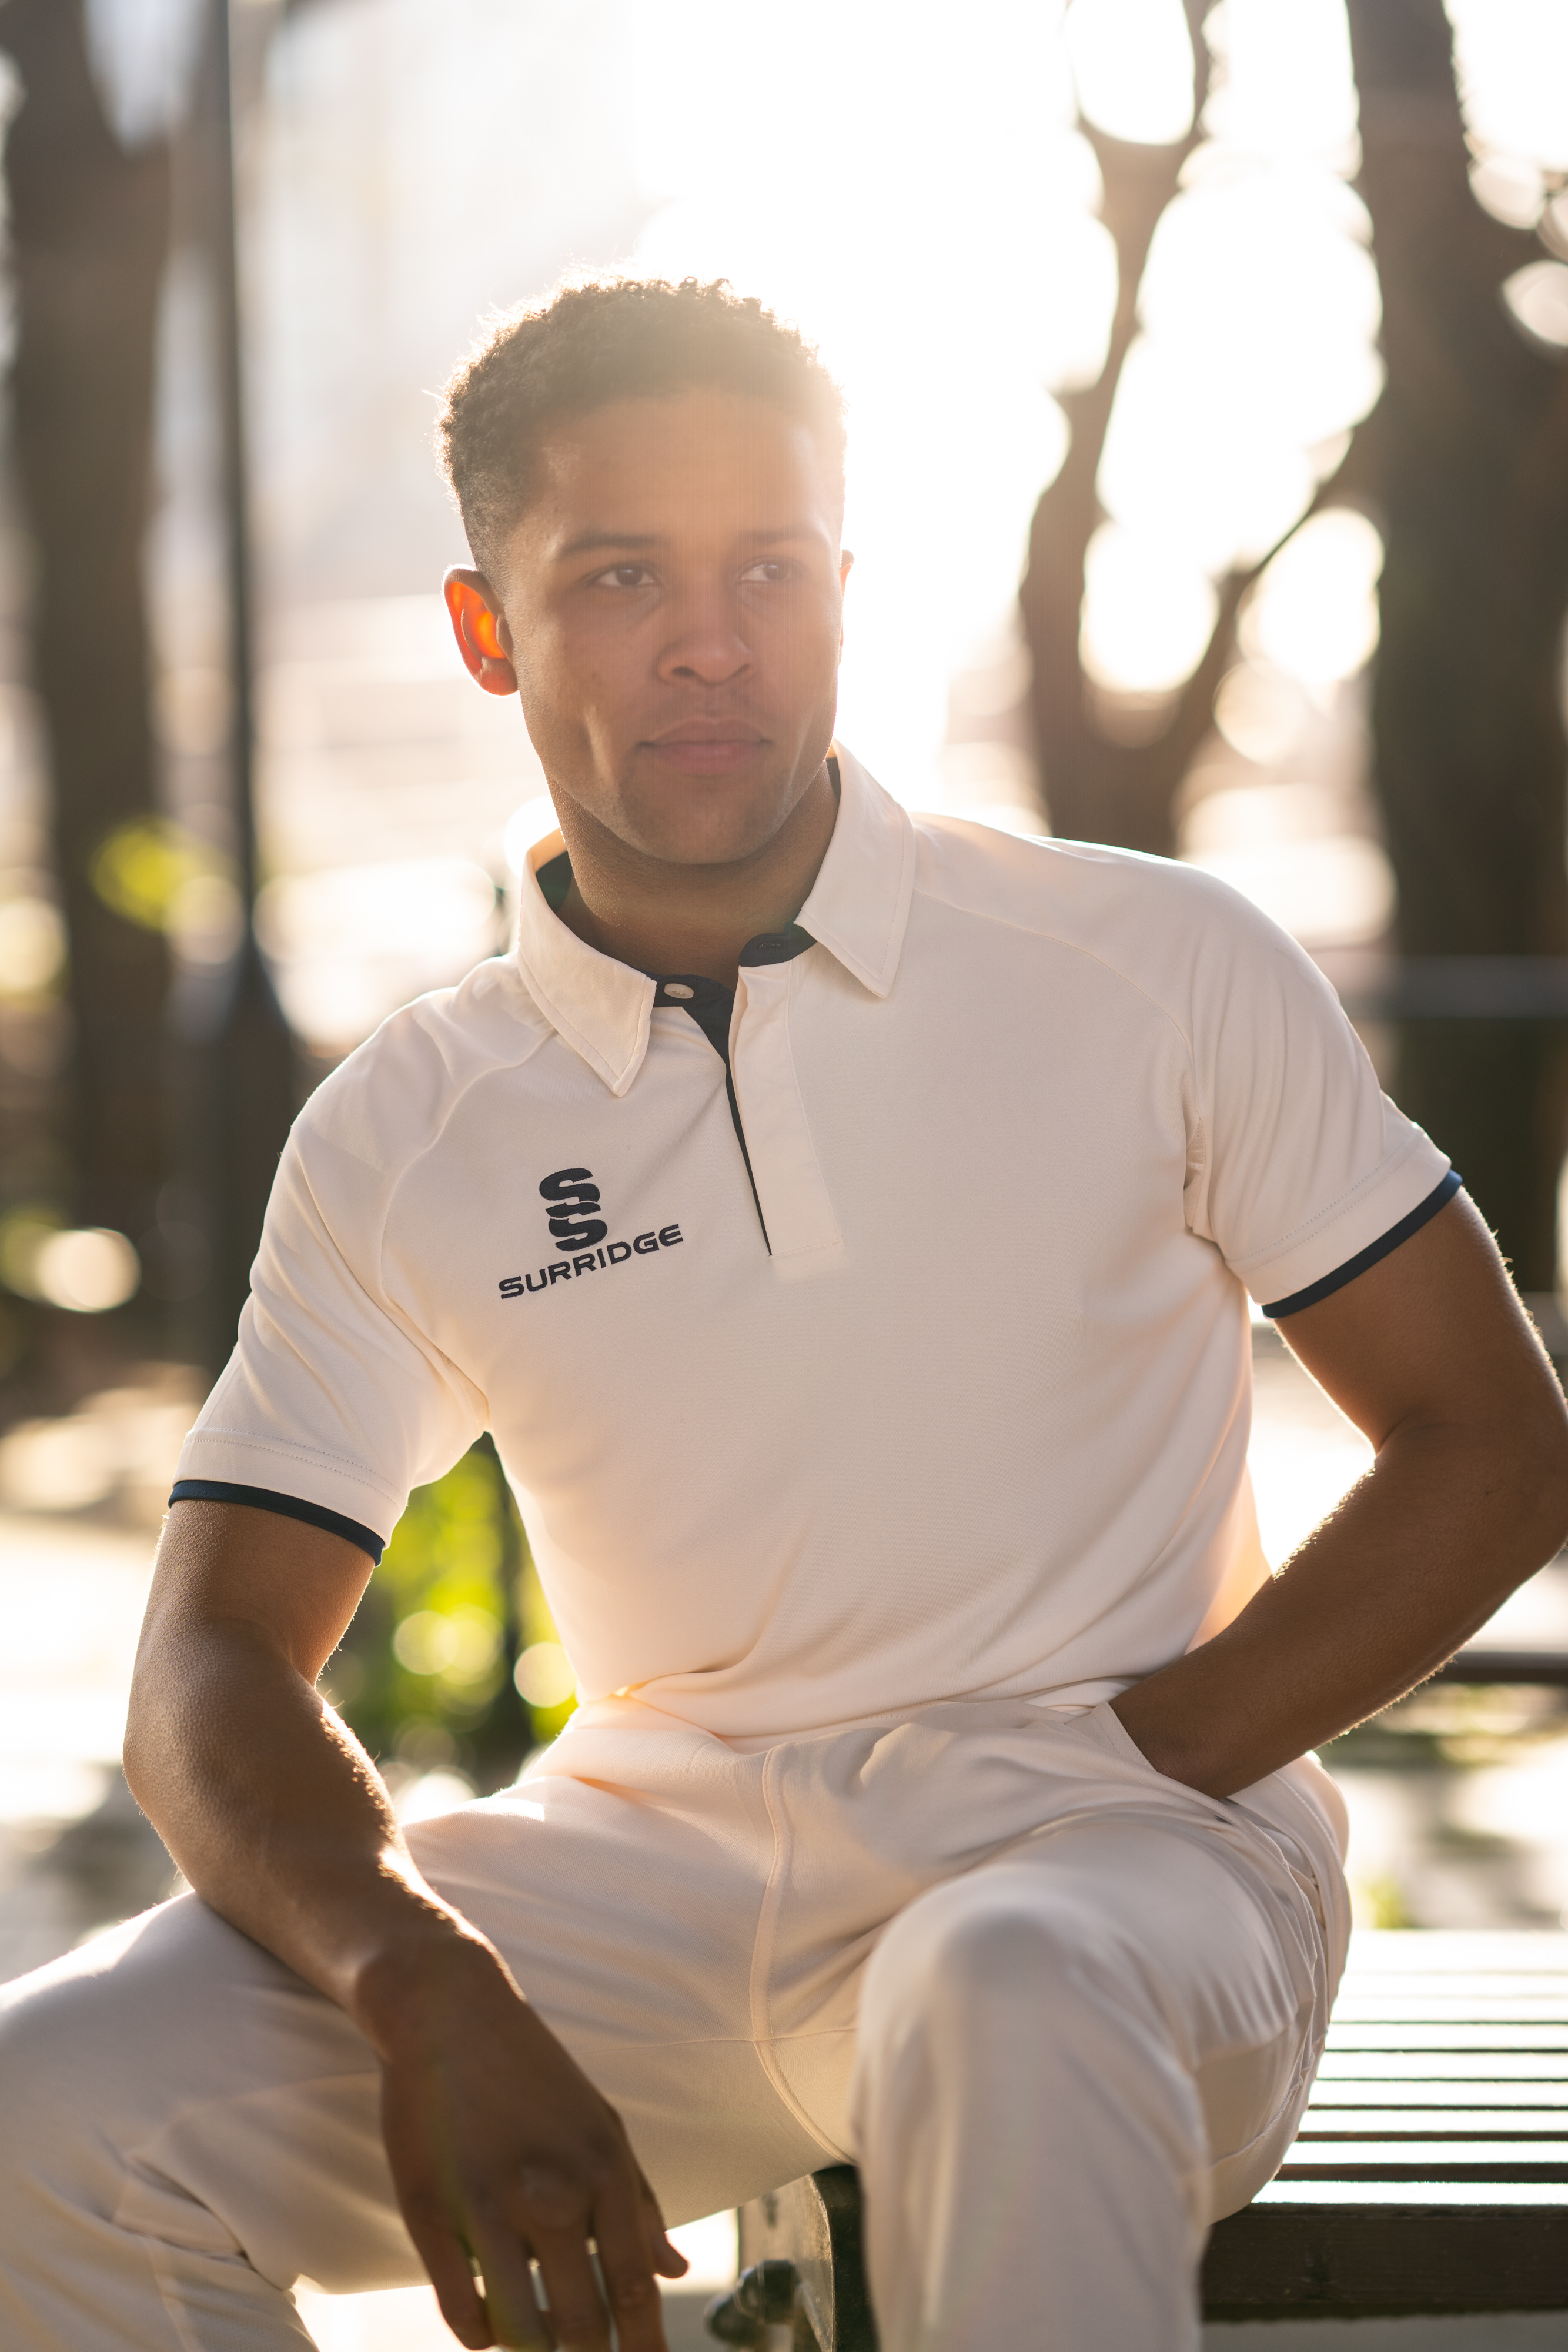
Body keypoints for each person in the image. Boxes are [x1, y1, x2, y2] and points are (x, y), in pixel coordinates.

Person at [2, 276, 1566, 2352]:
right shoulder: (409, 1127)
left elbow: (1491, 1441)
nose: (709, 642)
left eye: (769, 567)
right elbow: (208, 1658)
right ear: (487, 628)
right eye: (619, 576)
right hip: (658, 1884)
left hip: (1127, 1862)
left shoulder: (1152, 963)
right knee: (45, 2120)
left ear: (847, 586)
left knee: (1000, 1983)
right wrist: (418, 1973)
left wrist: (1148, 1753)